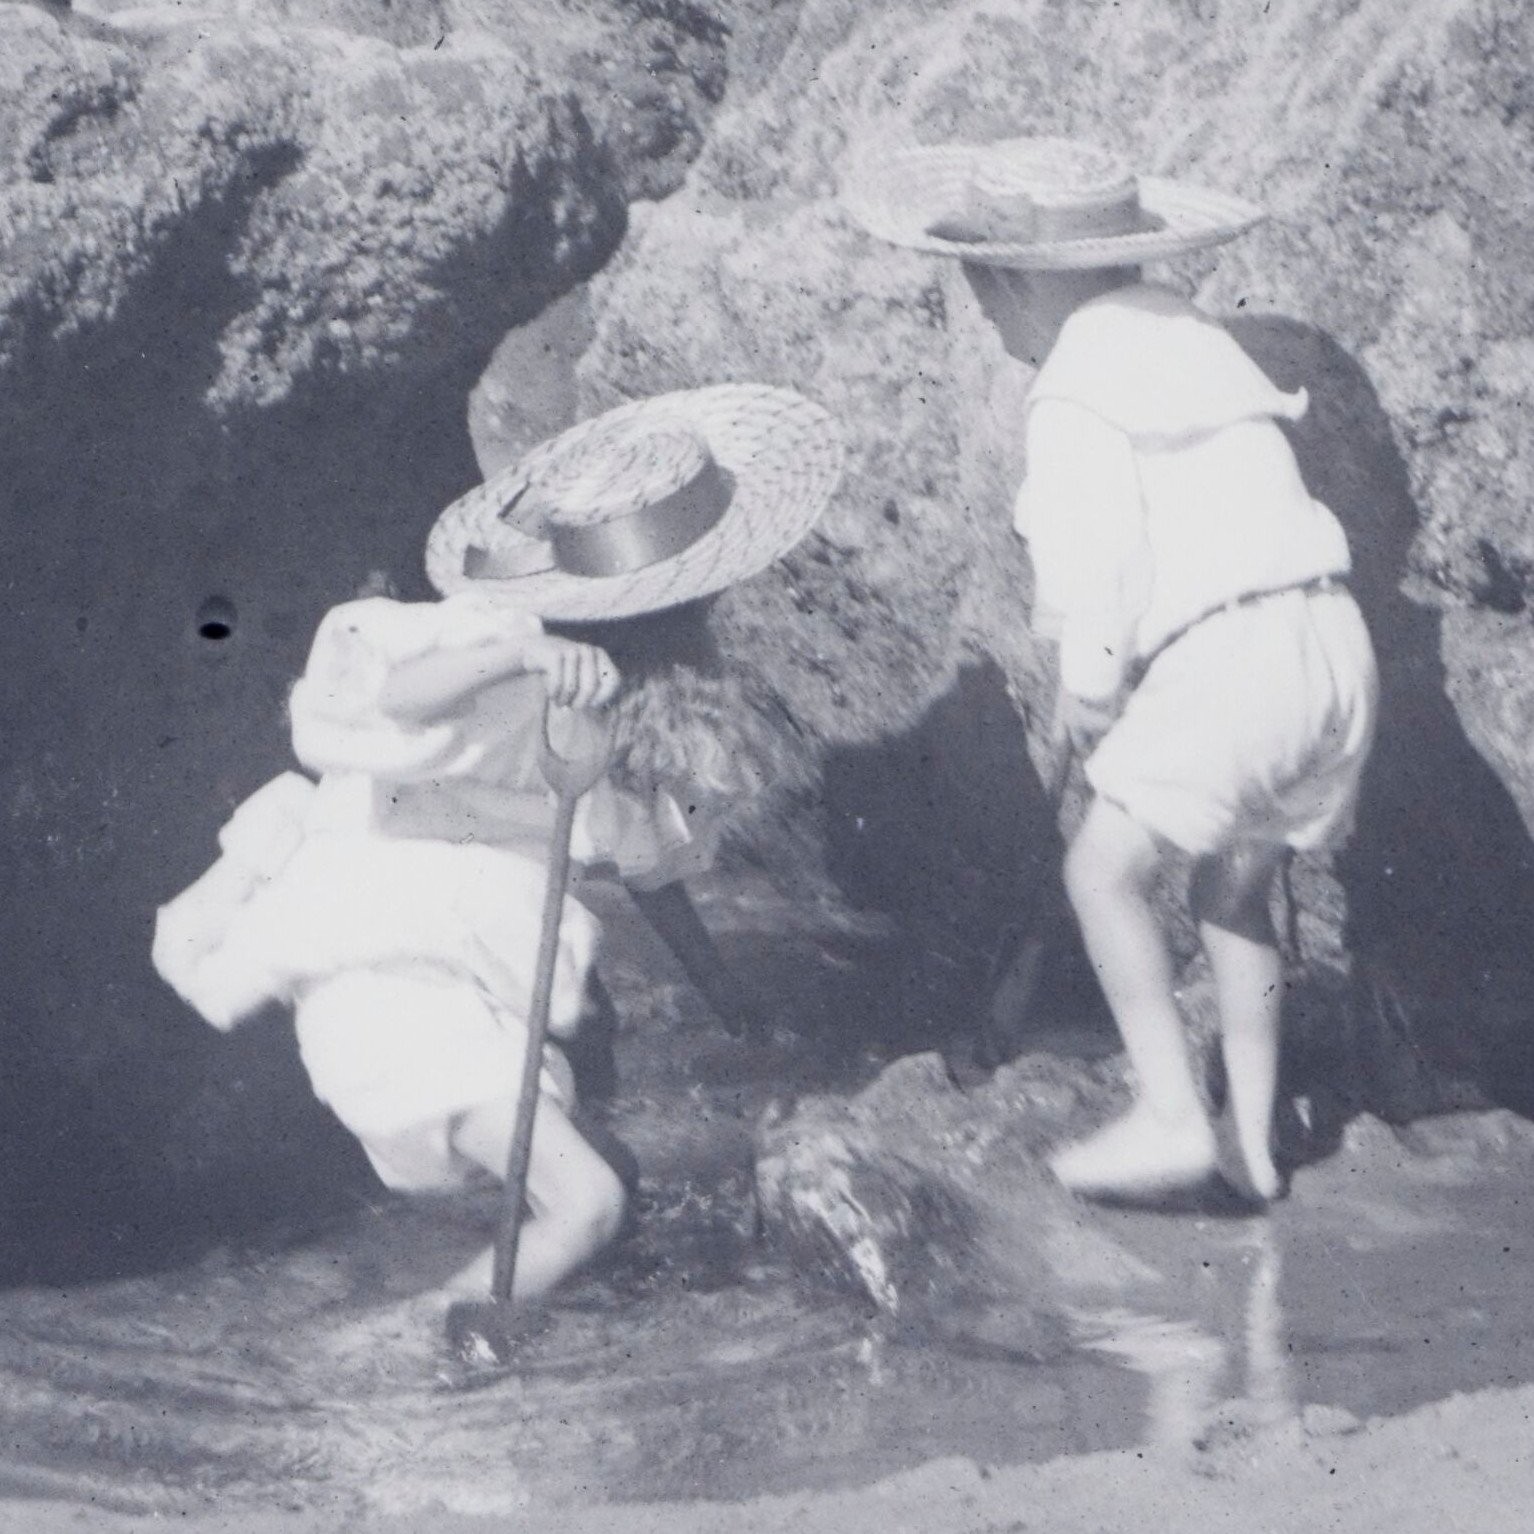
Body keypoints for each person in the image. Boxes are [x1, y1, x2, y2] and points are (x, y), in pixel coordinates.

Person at [153, 384, 844, 1313]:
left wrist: (729, 1002)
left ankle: (476, 1316)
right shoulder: (489, 643)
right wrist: (518, 660)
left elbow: (649, 866)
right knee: (590, 1205)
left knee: (597, 1188)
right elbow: (392, 697)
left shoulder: (643, 702)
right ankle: (399, 1349)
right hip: (390, 991)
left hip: (461, 982)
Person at [843, 136, 1378, 1203]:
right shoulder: (1188, 334)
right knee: (1239, 891)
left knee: (1101, 873)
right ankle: (1258, 1142)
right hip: (1329, 645)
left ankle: (1176, 1118)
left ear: (1011, 282)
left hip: (1229, 661)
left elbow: (1102, 561)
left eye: (980, 292)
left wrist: (1089, 692)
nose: (985, 319)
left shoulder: (1072, 386)